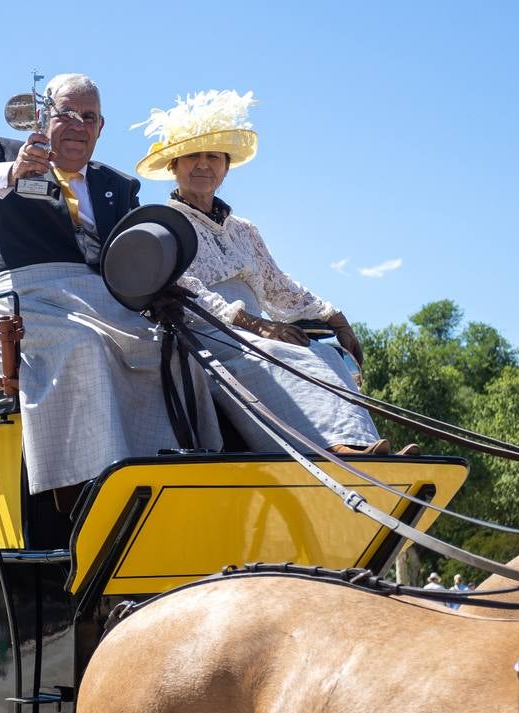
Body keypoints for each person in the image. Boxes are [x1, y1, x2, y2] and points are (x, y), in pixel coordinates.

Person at [0, 73, 222, 500]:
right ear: (44, 115)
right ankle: (91, 486)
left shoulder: (118, 186)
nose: (78, 125)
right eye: (66, 113)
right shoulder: (5, 153)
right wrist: (11, 173)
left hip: (102, 300)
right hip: (25, 296)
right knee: (83, 345)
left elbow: (136, 255)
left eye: (89, 117)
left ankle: (181, 475)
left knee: (175, 349)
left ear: (101, 128)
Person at [134, 90, 414, 456]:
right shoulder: (163, 224)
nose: (203, 165)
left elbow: (277, 284)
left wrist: (333, 315)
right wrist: (255, 324)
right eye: (192, 156)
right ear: (174, 165)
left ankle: (358, 445)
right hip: (204, 332)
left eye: (213, 157)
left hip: (252, 330)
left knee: (326, 355)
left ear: (226, 166)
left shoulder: (244, 230)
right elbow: (187, 291)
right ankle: (330, 451)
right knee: (278, 354)